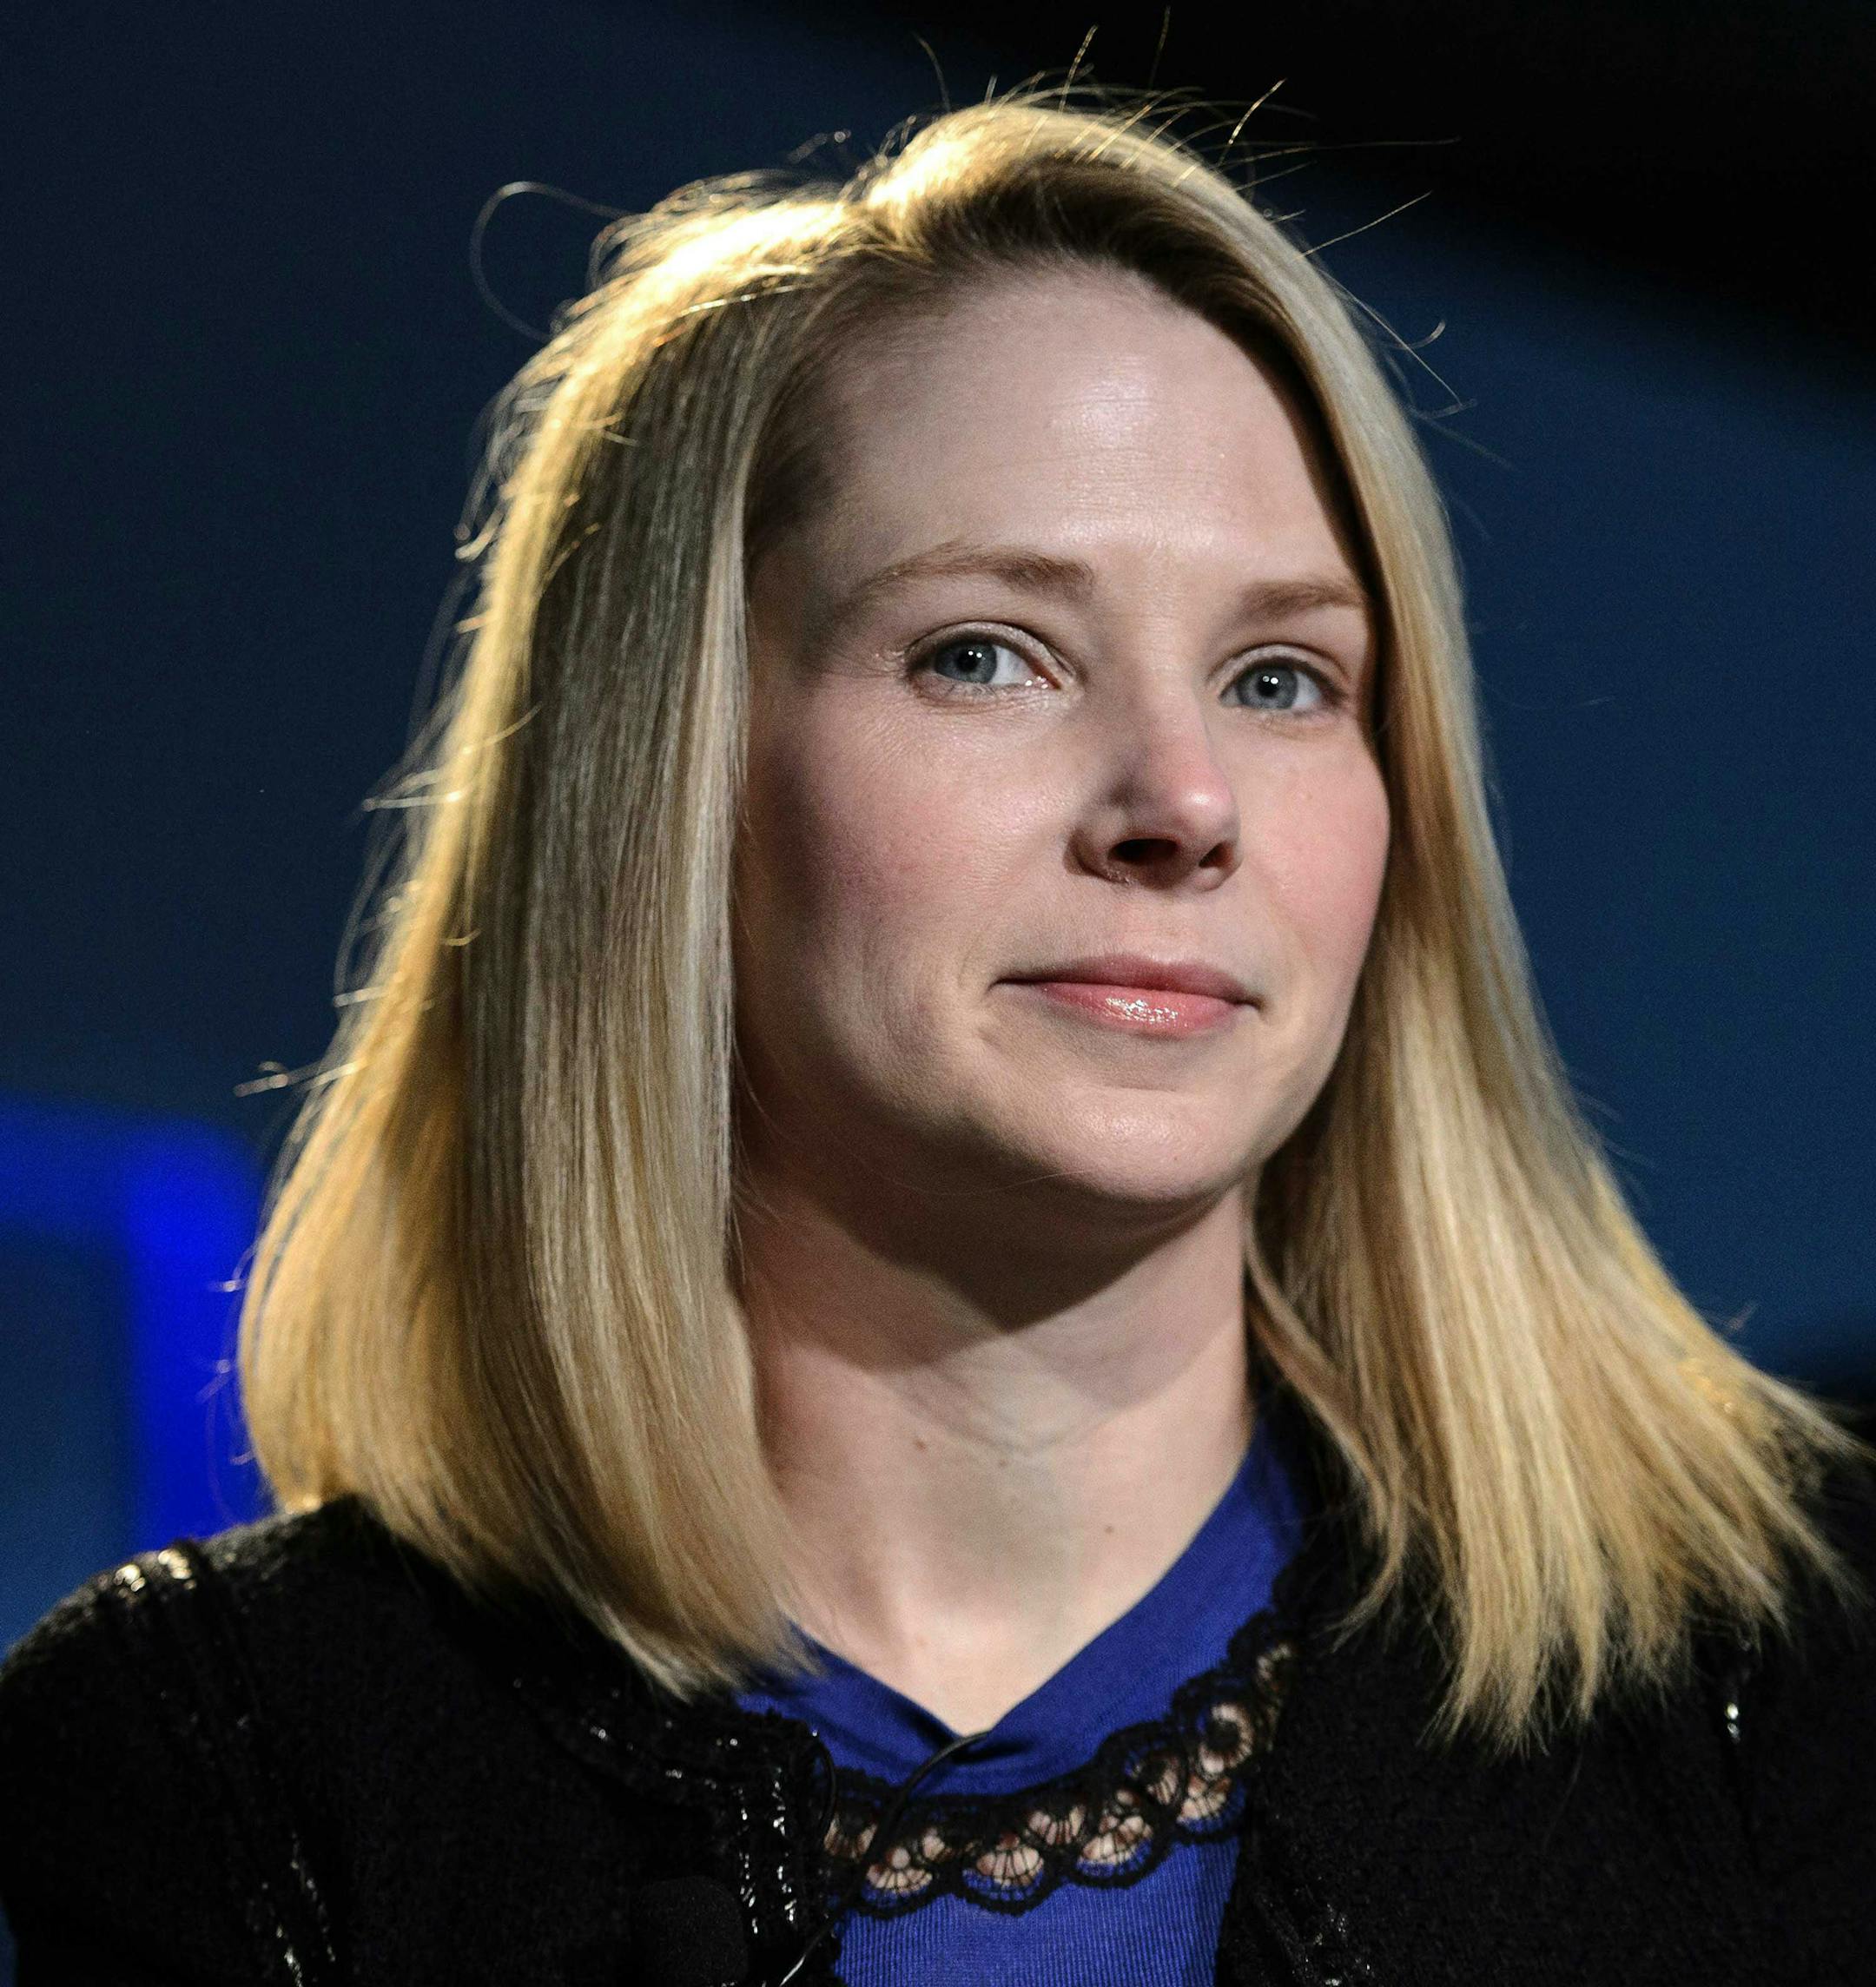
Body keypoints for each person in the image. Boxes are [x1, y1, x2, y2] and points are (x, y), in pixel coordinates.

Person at [3, 86, 1873, 1987]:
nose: (1182, 802)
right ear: (670, 777)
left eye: (1281, 677)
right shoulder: (229, 1759)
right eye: (988, 654)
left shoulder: (1787, 1676)